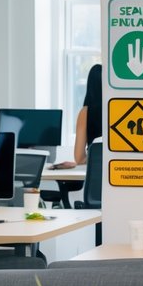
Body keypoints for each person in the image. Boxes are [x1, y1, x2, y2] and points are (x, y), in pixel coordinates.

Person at [46, 63, 101, 205]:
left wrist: (94, 159)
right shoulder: (120, 111)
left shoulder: (85, 113)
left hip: (94, 194)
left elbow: (79, 158)